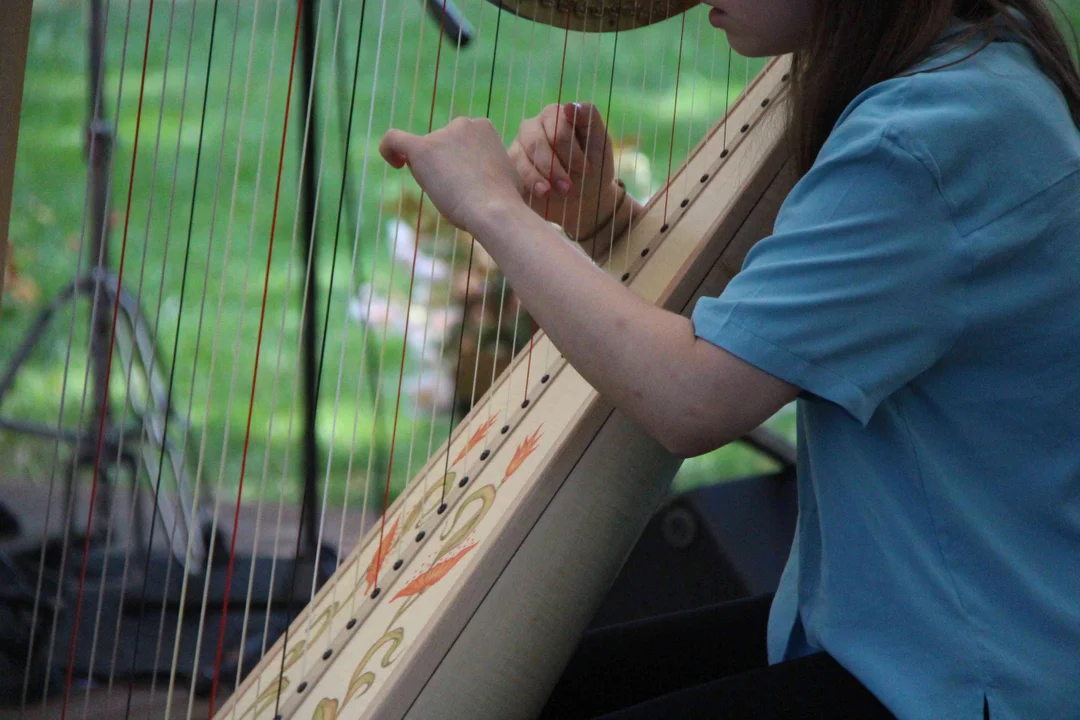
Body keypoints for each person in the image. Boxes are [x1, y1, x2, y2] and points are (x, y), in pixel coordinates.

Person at [379, 0, 1080, 717]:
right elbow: (781, 315)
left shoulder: (920, 145)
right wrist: (602, 220)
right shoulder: (972, 62)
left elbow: (695, 397)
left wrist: (495, 210)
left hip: (964, 678)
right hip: (893, 621)